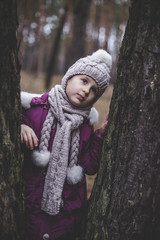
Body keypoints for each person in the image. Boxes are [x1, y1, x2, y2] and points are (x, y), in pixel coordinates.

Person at [21, 49, 112, 240]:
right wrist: (20, 125)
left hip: (66, 213)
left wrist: (99, 137)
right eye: (84, 81)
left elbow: (90, 166)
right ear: (69, 78)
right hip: (32, 203)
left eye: (94, 89)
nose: (87, 90)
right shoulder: (36, 108)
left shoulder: (86, 127)